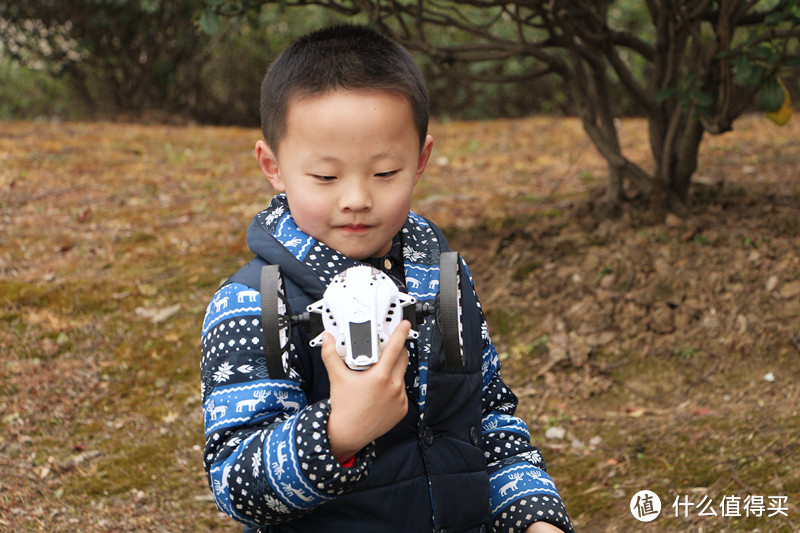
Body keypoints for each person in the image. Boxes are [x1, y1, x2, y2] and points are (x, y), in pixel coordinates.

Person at [200, 24, 574, 533]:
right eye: (326, 177)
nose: (356, 198)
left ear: (420, 159)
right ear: (274, 166)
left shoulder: (443, 278)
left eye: (384, 173)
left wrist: (534, 516)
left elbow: (488, 416)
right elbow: (236, 483)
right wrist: (338, 433)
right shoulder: (256, 303)